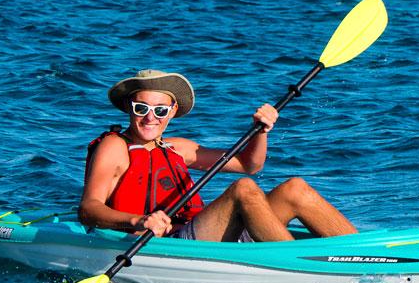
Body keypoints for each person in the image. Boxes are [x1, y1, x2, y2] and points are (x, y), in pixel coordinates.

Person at [79, 69, 358, 242]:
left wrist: (261, 131)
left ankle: (362, 255)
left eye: (160, 110)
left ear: (173, 111)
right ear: (129, 108)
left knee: (294, 188)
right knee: (243, 190)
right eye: (142, 109)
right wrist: (137, 221)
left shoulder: (176, 148)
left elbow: (250, 164)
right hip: (166, 244)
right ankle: (300, 266)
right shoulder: (114, 146)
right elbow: (88, 209)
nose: (150, 118)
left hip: (202, 236)